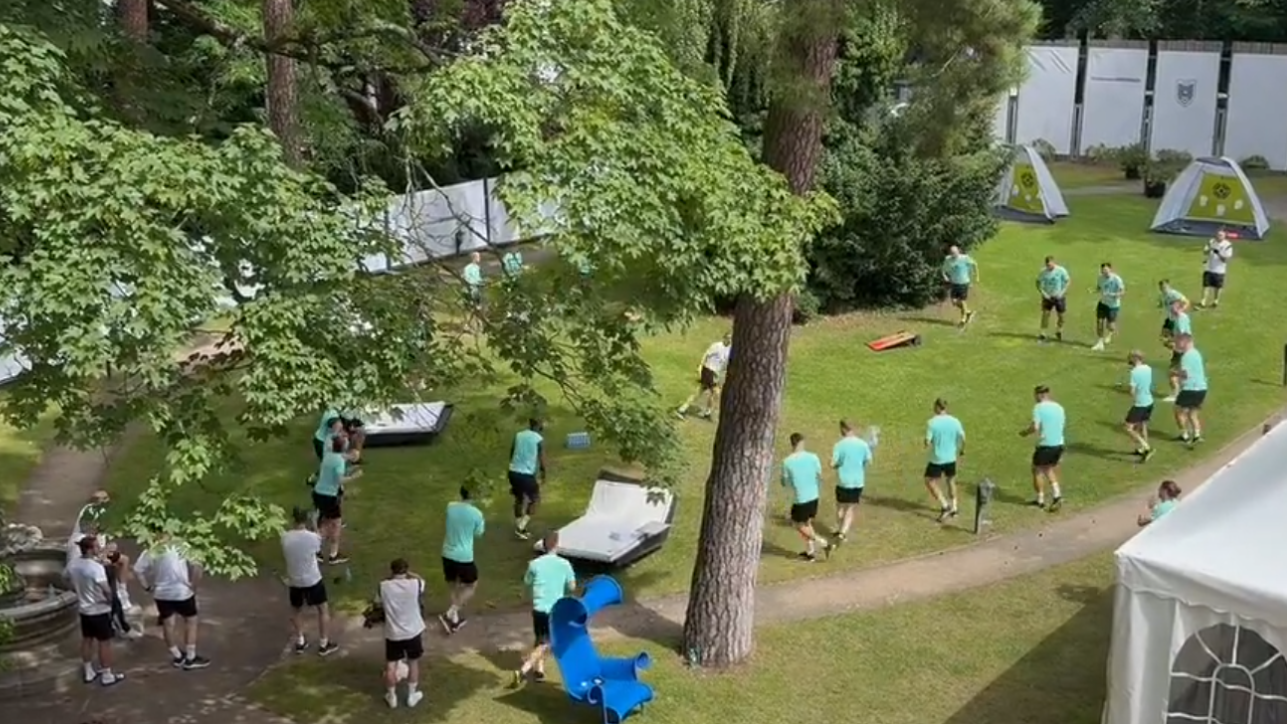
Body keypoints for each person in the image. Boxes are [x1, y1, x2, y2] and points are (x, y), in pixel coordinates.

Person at [134, 534, 210, 670]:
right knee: (191, 621)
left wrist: (147, 587)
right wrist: (193, 586)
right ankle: (191, 657)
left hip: (161, 594)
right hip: (182, 592)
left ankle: (177, 656)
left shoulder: (151, 550)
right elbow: (198, 567)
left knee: (168, 625)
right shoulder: (182, 546)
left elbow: (138, 569)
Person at [512, 532, 576, 687]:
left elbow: (527, 581)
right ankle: (523, 670)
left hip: (538, 608)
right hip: (554, 610)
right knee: (547, 643)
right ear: (557, 545)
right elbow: (572, 587)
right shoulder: (564, 564)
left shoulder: (534, 564)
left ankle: (539, 669)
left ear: (544, 546)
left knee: (540, 638)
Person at [65, 535, 124, 686]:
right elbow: (105, 589)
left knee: (87, 640)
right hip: (99, 610)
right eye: (97, 546)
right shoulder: (95, 568)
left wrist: (76, 590)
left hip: (84, 610)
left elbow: (65, 578)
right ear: (90, 549)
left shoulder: (73, 564)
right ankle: (107, 674)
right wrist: (111, 600)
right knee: (104, 642)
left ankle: (88, 671)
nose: (100, 549)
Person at [281, 506, 337, 656]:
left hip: (294, 579)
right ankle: (324, 644)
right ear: (305, 519)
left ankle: (300, 640)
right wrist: (315, 526)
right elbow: (319, 544)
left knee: (296, 610)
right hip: (312, 579)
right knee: (323, 609)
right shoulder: (312, 538)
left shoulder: (285, 537)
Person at [379, 558, 426, 709]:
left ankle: (392, 697)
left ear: (391, 570)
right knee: (413, 663)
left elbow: (377, 602)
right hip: (413, 631)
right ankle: (412, 695)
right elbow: (421, 580)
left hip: (393, 633)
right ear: (406, 571)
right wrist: (410, 573)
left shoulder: (383, 586)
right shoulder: (415, 584)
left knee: (391, 665)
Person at [439, 485, 485, 634]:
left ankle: (454, 619)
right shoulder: (477, 514)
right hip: (464, 556)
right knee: (472, 585)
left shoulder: (450, 507)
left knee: (453, 584)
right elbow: (479, 533)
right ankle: (451, 612)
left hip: (447, 553)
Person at [781, 433, 832, 561]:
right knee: (807, 523)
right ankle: (810, 553)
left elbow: (784, 482)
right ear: (802, 443)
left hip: (800, 498)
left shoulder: (787, 462)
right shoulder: (813, 457)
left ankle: (823, 543)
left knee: (797, 524)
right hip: (813, 496)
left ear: (792, 444)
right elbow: (819, 475)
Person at [313, 434, 363, 564]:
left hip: (318, 493)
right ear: (344, 446)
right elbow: (339, 480)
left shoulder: (328, 455)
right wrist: (354, 476)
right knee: (335, 525)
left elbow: (341, 460)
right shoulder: (339, 461)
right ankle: (333, 555)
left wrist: (351, 460)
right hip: (329, 496)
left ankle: (316, 550)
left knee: (325, 522)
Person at [1019, 385, 1066, 511]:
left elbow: (1035, 427)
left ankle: (1040, 499)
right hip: (1059, 444)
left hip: (1046, 444)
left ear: (1039, 395)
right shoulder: (1059, 407)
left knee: (1037, 470)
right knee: (1048, 468)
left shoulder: (1038, 408)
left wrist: (1025, 432)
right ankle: (1057, 494)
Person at [924, 398, 966, 522]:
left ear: (937, 407)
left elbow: (927, 441)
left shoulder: (931, 423)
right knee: (951, 481)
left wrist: (926, 442)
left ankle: (944, 505)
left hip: (937, 459)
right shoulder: (955, 421)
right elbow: (963, 437)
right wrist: (962, 450)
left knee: (929, 481)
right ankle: (954, 508)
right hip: (951, 458)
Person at [830, 420, 872, 543]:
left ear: (843, 429)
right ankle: (842, 533)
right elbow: (868, 461)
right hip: (857, 482)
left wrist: (837, 465)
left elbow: (832, 464)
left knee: (840, 507)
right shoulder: (863, 444)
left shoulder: (839, 445)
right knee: (850, 509)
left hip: (843, 481)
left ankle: (840, 531)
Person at [677, 332, 732, 420]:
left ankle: (683, 408)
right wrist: (700, 366)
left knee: (702, 392)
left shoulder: (729, 349)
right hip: (708, 370)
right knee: (715, 391)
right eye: (728, 338)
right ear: (724, 338)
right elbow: (706, 354)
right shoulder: (717, 346)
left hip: (715, 373)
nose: (729, 340)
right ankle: (706, 412)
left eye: (731, 339)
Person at [508, 418, 547, 540]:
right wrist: (543, 473)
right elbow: (542, 460)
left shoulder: (518, 435)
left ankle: (521, 527)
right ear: (538, 424)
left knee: (519, 498)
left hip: (513, 472)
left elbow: (511, 452)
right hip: (526, 475)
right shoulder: (538, 439)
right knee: (535, 500)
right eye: (542, 423)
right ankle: (521, 527)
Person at [1171, 333, 1207, 445]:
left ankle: (1184, 435)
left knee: (1178, 411)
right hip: (1201, 388)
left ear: (1184, 342)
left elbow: (1185, 374)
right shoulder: (1197, 353)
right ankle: (1197, 435)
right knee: (1193, 413)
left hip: (1190, 388)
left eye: (1178, 342)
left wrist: (1174, 373)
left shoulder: (1186, 356)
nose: (1177, 345)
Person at [1124, 351, 1155, 461]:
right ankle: (1144, 448)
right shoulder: (1148, 368)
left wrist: (1128, 390)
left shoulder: (1134, 372)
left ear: (1135, 358)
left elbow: (1132, 391)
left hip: (1140, 403)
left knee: (1128, 428)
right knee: (1143, 425)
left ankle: (1146, 447)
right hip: (1149, 401)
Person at [1164, 301, 1194, 402]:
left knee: (1172, 371)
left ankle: (1175, 394)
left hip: (1181, 348)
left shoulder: (1180, 319)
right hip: (1187, 347)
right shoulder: (1184, 316)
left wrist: (1171, 343)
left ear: (1179, 308)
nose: (1172, 309)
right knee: (1182, 371)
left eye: (1174, 307)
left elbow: (1181, 334)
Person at [941, 245, 978, 327]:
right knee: (954, 302)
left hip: (964, 282)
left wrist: (977, 276)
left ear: (958, 251)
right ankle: (968, 312)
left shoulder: (964, 258)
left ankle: (963, 319)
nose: (954, 254)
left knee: (962, 300)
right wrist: (945, 277)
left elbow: (975, 264)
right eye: (952, 253)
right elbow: (943, 270)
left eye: (955, 252)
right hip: (954, 283)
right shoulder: (948, 260)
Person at [1036, 255, 1071, 342]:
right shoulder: (1043, 272)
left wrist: (1062, 292)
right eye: (1048, 265)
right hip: (1048, 297)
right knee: (1045, 315)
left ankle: (1058, 330)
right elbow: (1037, 283)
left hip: (1059, 296)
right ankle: (1043, 333)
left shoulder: (1061, 270)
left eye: (1051, 265)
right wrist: (1044, 293)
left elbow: (1068, 281)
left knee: (1061, 317)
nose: (1049, 267)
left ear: (1054, 263)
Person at [1091, 262, 1125, 352]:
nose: (1104, 272)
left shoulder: (1116, 279)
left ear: (1110, 269)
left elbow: (1122, 292)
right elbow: (1099, 288)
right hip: (1103, 303)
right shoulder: (1100, 278)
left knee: (1110, 326)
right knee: (1099, 322)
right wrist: (1094, 290)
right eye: (1103, 270)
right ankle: (1100, 342)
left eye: (1106, 270)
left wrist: (1113, 295)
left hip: (1113, 306)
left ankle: (1110, 333)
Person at [1199, 230, 1233, 308]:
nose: (1218, 236)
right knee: (1205, 285)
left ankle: (1216, 300)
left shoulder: (1228, 245)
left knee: (1218, 287)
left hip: (1219, 270)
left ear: (1224, 236)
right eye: (1218, 235)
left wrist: (1218, 253)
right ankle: (1203, 301)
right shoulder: (1211, 242)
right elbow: (1205, 252)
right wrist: (1210, 249)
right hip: (1209, 267)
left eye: (1221, 235)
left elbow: (1225, 259)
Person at [1157, 279, 1188, 348]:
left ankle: (1178, 352)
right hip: (1170, 319)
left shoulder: (1174, 294)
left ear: (1168, 286)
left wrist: (1180, 311)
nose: (1163, 289)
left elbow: (1186, 302)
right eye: (1161, 287)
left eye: (1164, 287)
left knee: (1173, 339)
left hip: (1177, 320)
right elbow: (1163, 303)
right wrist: (1160, 305)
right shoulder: (1162, 295)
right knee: (1163, 338)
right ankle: (1176, 350)